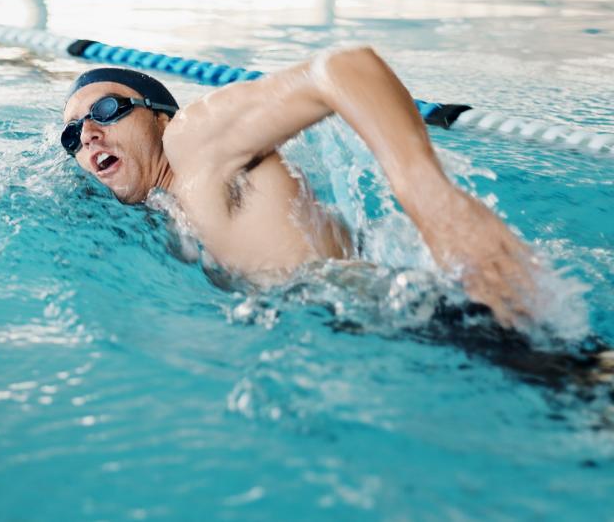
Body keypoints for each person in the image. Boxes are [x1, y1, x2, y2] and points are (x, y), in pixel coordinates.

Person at [60, 46, 536, 328]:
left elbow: (343, 67)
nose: (88, 135)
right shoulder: (163, 204)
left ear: (160, 115)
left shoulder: (192, 141)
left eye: (106, 111)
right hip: (370, 327)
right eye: (72, 135)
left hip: (441, 321)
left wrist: (425, 190)